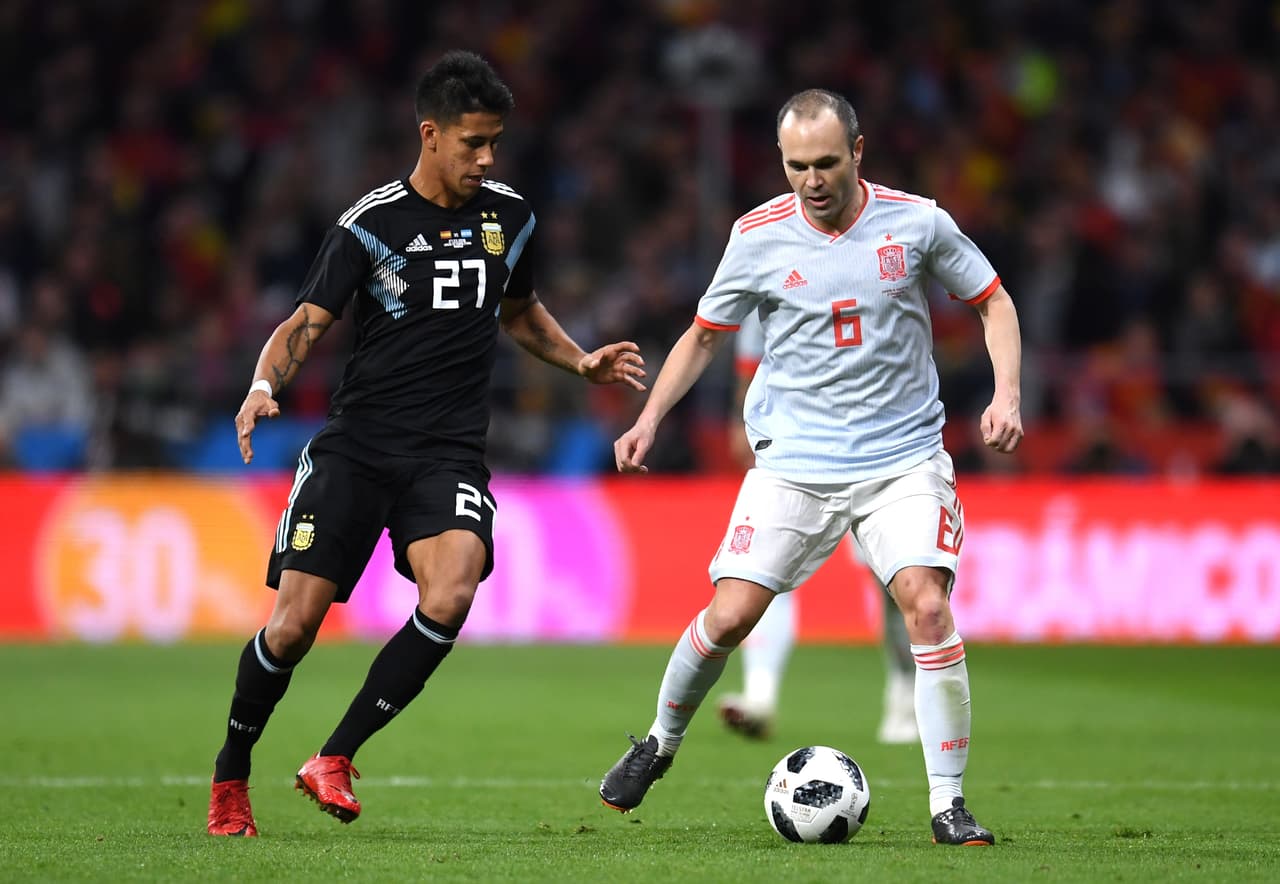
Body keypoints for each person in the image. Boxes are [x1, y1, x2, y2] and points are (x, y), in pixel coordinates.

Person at [206, 50, 646, 837]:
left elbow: (519, 311)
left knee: (453, 588)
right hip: (358, 447)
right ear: (430, 134)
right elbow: (304, 323)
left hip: (446, 454)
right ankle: (230, 778)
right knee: (293, 627)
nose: (488, 158)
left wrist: (580, 360)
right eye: (474, 142)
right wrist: (264, 385)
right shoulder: (369, 224)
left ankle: (334, 755)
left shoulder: (510, 216)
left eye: (496, 143)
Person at [598, 89, 1022, 847]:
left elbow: (993, 302)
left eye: (827, 162)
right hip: (792, 462)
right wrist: (650, 418)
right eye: (797, 166)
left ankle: (948, 804)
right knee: (729, 615)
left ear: (858, 152)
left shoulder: (917, 221)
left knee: (925, 606)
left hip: (903, 459)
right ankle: (658, 743)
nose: (812, 180)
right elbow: (702, 337)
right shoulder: (756, 235)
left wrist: (1007, 394)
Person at [716, 311, 917, 745]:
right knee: (766, 573)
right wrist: (739, 420)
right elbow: (750, 363)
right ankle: (760, 696)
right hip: (796, 457)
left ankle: (904, 692)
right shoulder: (768, 277)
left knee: (893, 581)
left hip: (875, 451)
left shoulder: (870, 265)